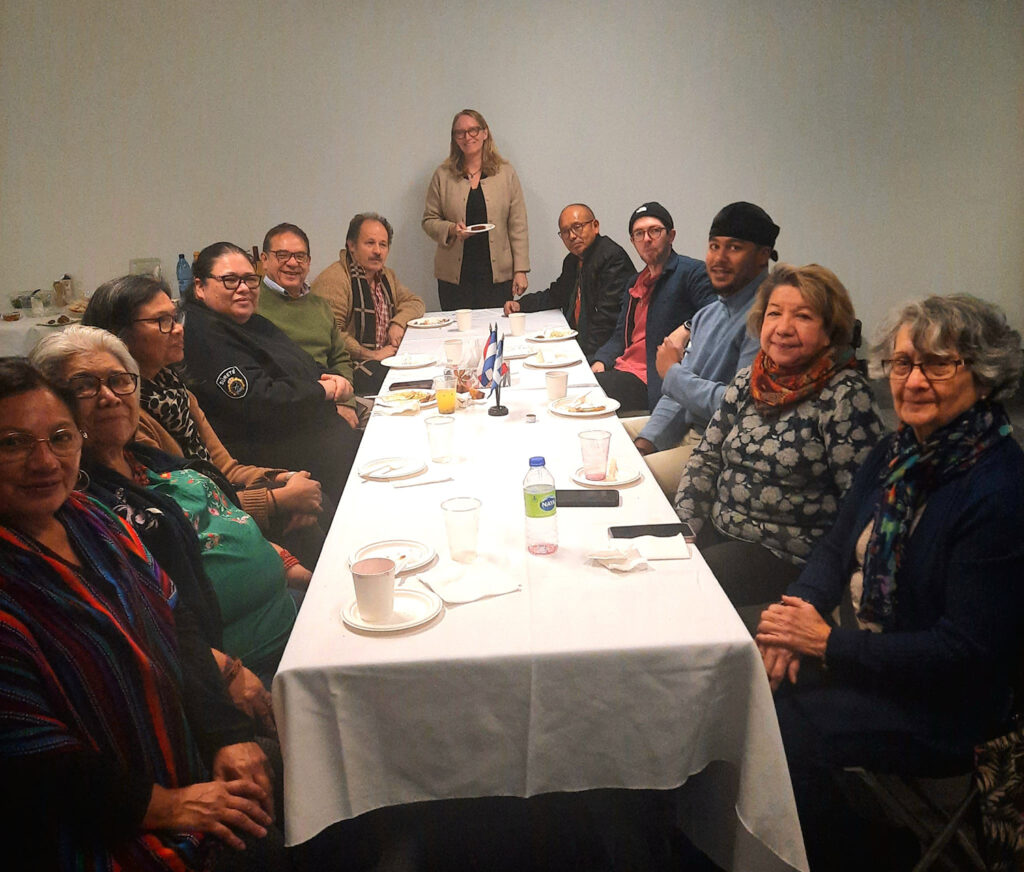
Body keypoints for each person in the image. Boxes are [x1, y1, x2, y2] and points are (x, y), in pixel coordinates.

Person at [756, 295, 1024, 871]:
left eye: (938, 364)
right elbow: (833, 547)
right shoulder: (899, 451)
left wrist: (826, 643)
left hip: (945, 707)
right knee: (738, 663)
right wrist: (794, 615)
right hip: (867, 652)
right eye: (902, 364)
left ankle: (863, 851)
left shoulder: (1000, 492)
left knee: (763, 724)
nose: (914, 381)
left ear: (983, 375)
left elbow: (965, 654)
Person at [0, 358, 284, 871]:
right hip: (96, 826)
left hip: (181, 758)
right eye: (13, 444)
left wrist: (226, 736)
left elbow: (178, 623)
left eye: (60, 437)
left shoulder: (93, 518)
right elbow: (31, 761)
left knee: (310, 762)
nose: (44, 462)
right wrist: (170, 806)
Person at [31, 326, 299, 681]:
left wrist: (285, 561)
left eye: (119, 380)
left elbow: (225, 516)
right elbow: (139, 624)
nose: (109, 396)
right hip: (247, 665)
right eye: (84, 385)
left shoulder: (149, 458)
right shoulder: (80, 504)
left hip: (290, 609)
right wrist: (223, 673)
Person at [674, 263, 884, 613]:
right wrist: (685, 527)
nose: (784, 329)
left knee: (680, 589)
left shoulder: (845, 395)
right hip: (720, 527)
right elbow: (706, 457)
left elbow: (859, 504)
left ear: (830, 328)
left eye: (803, 316)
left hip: (784, 553)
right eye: (774, 314)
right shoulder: (750, 379)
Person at [81, 272, 326, 554]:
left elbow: (226, 468)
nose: (177, 329)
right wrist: (278, 500)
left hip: (226, 502)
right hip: (204, 534)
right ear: (117, 335)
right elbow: (179, 507)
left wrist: (287, 479)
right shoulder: (123, 417)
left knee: (315, 500)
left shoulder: (176, 391)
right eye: (162, 321)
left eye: (175, 318)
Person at [181, 242, 360, 505]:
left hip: (320, 435)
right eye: (230, 280)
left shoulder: (251, 322)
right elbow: (258, 398)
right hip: (276, 456)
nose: (243, 288)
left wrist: (330, 380)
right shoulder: (203, 333)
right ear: (200, 287)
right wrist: (325, 390)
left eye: (250, 280)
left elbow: (303, 366)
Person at [625, 201, 782, 495]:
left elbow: (742, 408)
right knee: (606, 441)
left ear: (763, 255)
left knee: (631, 483)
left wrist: (672, 374)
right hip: (688, 427)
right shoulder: (708, 314)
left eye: (734, 248)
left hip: (723, 447)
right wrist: (647, 443)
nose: (719, 258)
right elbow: (678, 394)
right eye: (714, 246)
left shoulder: (768, 317)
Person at [591, 202, 715, 414]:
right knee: (575, 383)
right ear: (632, 241)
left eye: (654, 231)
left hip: (652, 379)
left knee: (585, 396)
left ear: (671, 235)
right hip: (623, 368)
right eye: (639, 234)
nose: (646, 239)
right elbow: (620, 335)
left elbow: (717, 314)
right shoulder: (634, 282)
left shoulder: (692, 272)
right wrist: (601, 359)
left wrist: (687, 327)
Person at [422, 109, 529, 309]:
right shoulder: (443, 175)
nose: (467, 137)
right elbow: (429, 220)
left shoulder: (506, 173)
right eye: (460, 132)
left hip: (497, 277)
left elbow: (518, 225)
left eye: (473, 130)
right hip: (454, 278)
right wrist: (452, 229)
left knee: (496, 333)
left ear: (485, 133)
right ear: (454, 138)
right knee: (460, 334)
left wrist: (520, 270)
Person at [256, 222, 360, 428]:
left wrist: (346, 402)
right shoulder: (252, 305)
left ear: (309, 262)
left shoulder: (319, 305)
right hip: (291, 410)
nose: (293, 263)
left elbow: (340, 359)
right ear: (264, 260)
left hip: (334, 398)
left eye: (300, 256)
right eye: (282, 255)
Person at [310, 212, 426, 395]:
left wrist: (398, 322)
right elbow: (331, 334)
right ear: (351, 246)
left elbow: (415, 302)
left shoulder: (386, 276)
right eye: (370, 243)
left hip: (385, 357)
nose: (378, 251)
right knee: (413, 384)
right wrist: (371, 355)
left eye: (383, 244)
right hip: (349, 367)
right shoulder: (335, 280)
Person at [503, 203, 634, 361]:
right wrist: (521, 305)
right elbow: (556, 295)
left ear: (595, 226)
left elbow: (607, 319)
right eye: (565, 231)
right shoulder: (572, 260)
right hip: (579, 341)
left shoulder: (612, 257)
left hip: (606, 351)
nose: (572, 236)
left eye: (577, 227)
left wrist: (581, 356)